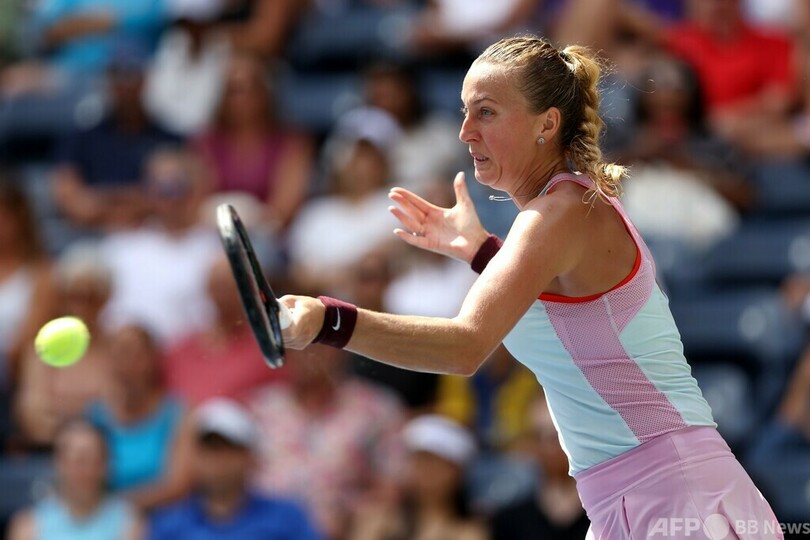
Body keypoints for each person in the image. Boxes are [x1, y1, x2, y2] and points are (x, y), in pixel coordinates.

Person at [280, 36, 783, 539]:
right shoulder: (560, 214)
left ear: (547, 124)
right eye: (465, 112)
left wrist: (329, 321)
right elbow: (559, 311)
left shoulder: (559, 214)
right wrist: (480, 251)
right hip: (636, 497)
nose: (465, 131)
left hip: (678, 493)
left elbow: (464, 347)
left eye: (486, 112)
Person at [248, 345, 405, 539]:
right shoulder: (260, 408)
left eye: (320, 344)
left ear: (343, 349)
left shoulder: (375, 408)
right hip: (264, 530)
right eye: (298, 345)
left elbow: (391, 487)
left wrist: (351, 513)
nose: (309, 353)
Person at [148, 398, 323, 540]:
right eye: (209, 449)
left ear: (250, 456)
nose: (217, 460)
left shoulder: (287, 517)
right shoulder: (169, 524)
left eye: (228, 449)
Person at [85, 325, 194, 512]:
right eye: (117, 354)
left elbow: (177, 485)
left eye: (133, 354)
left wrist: (116, 509)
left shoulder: (179, 413)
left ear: (152, 359)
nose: (125, 363)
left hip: (163, 517)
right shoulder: (94, 413)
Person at [16, 243, 113, 447]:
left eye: (91, 296)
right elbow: (33, 418)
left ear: (105, 298)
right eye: (75, 296)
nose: (83, 305)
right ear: (62, 298)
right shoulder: (41, 349)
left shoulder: (117, 349)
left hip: (109, 450)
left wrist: (64, 412)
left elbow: (122, 413)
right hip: (52, 451)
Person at [350, 414, 486, 540]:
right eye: (419, 460)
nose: (426, 471)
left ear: (458, 472)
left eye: (435, 462)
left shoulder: (468, 531)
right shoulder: (380, 518)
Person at [7, 419, 143, 540]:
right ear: (58, 463)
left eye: (95, 459)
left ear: (107, 465)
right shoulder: (27, 526)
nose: (87, 469)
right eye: (78, 460)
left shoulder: (128, 521)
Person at [491, 394, 590, 540]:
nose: (548, 447)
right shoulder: (509, 521)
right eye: (538, 436)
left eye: (556, 435)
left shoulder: (606, 512)